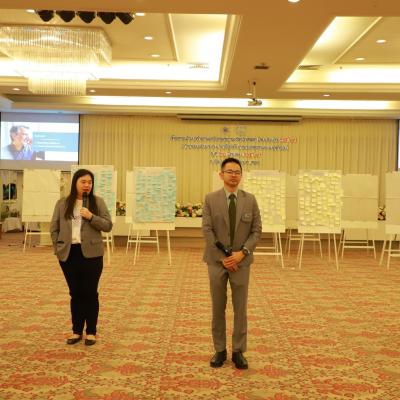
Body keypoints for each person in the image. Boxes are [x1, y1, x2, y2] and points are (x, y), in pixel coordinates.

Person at [202, 157, 262, 369]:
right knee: (218, 307)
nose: (233, 175)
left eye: (237, 172)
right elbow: (207, 230)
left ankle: (238, 351)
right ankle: (219, 349)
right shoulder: (210, 199)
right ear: (221, 174)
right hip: (216, 262)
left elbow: (256, 231)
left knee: (240, 308)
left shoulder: (250, 200)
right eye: (229, 171)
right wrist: (224, 258)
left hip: (241, 262)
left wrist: (242, 253)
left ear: (241, 175)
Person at [50, 169, 112, 346]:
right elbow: (54, 228)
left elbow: (108, 225)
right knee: (75, 293)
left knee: (90, 293)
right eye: (83, 182)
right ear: (75, 183)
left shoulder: (97, 202)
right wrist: (58, 249)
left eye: (90, 182)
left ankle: (91, 331)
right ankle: (76, 330)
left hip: (92, 254)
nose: (87, 185)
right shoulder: (62, 203)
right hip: (69, 254)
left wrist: (91, 217)